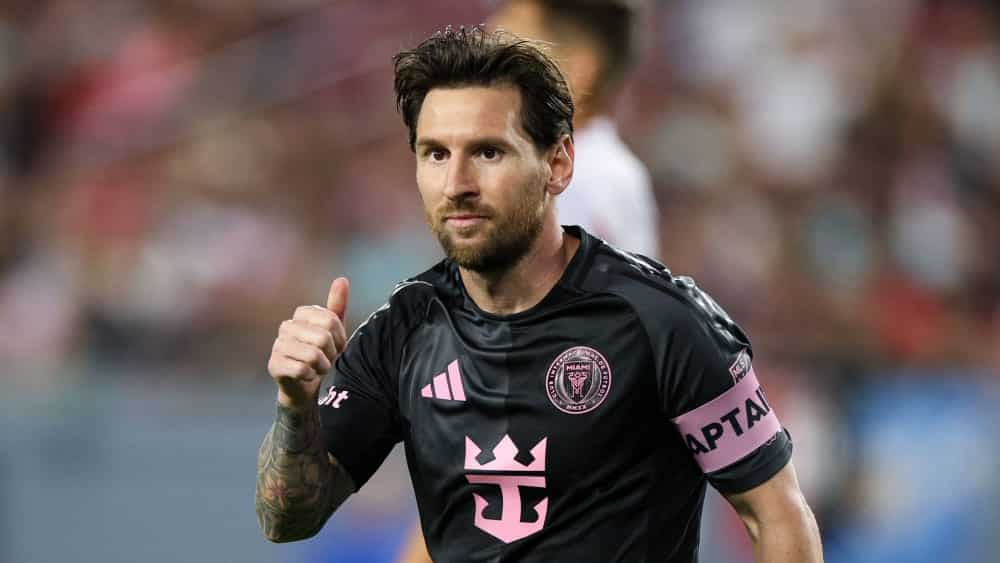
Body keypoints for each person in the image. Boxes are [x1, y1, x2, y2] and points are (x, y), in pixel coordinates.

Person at [255, 26, 822, 562]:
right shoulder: (403, 327)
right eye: (436, 154)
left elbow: (776, 514)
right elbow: (288, 518)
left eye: (488, 152)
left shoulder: (663, 322)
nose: (457, 184)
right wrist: (295, 405)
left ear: (558, 163)